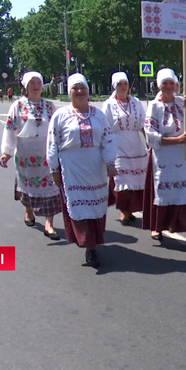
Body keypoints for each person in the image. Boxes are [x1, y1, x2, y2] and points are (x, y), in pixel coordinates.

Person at [47, 73, 118, 268]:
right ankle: (89, 245)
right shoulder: (60, 115)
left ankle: (92, 244)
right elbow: (52, 142)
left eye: (82, 88)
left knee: (96, 206)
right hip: (72, 166)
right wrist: (54, 168)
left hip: (95, 166)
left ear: (88, 91)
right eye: (75, 88)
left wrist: (111, 162)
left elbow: (108, 139)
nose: (79, 91)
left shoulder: (99, 115)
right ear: (69, 92)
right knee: (79, 205)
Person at [143, 68, 186, 253]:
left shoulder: (182, 102)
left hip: (185, 159)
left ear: (176, 85)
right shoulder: (154, 107)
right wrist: (176, 140)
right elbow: (151, 135)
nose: (168, 87)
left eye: (171, 83)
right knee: (166, 195)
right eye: (164, 83)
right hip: (165, 158)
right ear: (159, 85)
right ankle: (159, 226)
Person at [0, 71, 63, 240]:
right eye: (32, 83)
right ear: (25, 87)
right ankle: (29, 211)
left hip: (46, 152)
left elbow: (58, 130)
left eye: (38, 83)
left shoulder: (50, 106)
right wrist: (7, 152)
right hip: (25, 154)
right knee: (27, 185)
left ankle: (49, 223)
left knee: (51, 186)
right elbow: (10, 129)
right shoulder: (18, 106)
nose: (35, 86)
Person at [101, 72, 148, 225]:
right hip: (118, 145)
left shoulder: (135, 102)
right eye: (120, 84)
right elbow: (104, 127)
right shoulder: (109, 104)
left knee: (138, 178)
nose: (123, 87)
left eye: (125, 84)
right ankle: (123, 210)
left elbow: (143, 123)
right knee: (121, 179)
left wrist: (148, 139)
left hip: (135, 145)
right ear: (115, 86)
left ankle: (133, 208)